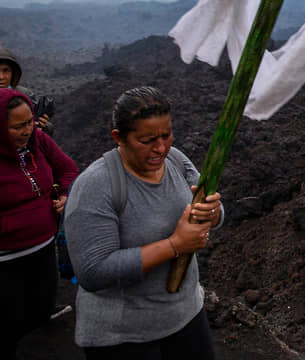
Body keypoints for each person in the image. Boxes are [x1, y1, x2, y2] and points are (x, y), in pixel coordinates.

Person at [64, 86, 224, 358]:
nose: (160, 148)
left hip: (186, 317)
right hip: (125, 336)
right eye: (146, 140)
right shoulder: (96, 186)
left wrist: (214, 212)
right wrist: (175, 244)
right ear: (119, 137)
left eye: (166, 135)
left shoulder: (176, 160)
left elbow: (212, 208)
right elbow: (93, 272)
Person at [0, 89, 78, 359]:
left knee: (39, 313)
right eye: (17, 126)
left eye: (30, 122)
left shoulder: (39, 142)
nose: (26, 131)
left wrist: (66, 194)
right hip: (6, 261)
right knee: (9, 325)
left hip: (44, 250)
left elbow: (67, 168)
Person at [0, 43, 55, 135]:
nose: (1, 77)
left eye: (6, 70)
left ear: (14, 73)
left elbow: (47, 128)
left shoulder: (23, 95)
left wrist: (43, 127)